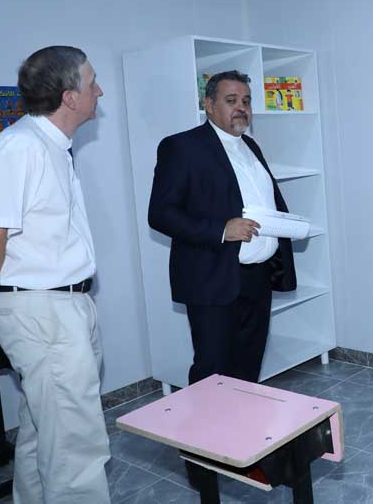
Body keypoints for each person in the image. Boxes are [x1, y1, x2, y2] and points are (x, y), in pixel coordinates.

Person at [0, 46, 109, 503]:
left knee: (44, 430)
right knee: (75, 448)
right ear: (69, 97)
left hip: (61, 306)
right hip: (44, 312)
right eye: (92, 81)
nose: (100, 91)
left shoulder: (49, 147)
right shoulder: (20, 148)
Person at [147, 70, 296, 496]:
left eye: (246, 100)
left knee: (247, 371)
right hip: (212, 279)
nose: (241, 108)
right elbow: (161, 214)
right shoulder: (181, 146)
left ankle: (242, 450)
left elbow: (264, 202)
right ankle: (203, 465)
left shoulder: (250, 146)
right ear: (208, 105)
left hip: (256, 277)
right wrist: (220, 229)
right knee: (212, 373)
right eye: (231, 100)